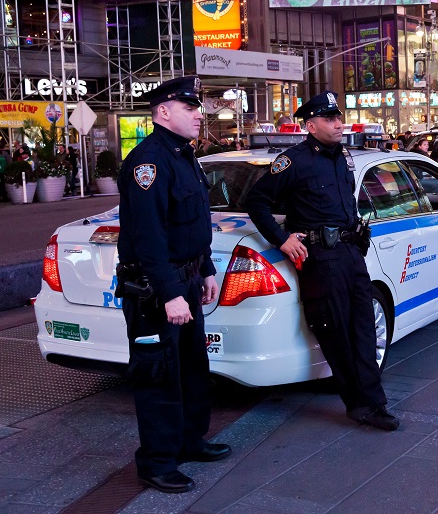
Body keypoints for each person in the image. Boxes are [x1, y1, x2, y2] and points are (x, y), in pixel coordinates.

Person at [244, 91, 398, 432]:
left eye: (338, 117)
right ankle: (360, 404)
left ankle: (374, 402)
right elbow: (257, 201)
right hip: (321, 259)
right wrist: (282, 239)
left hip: (350, 253)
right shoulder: (293, 161)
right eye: (329, 119)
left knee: (363, 329)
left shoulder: (341, 158)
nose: (338, 123)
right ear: (310, 125)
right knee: (338, 333)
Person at [116, 76, 230, 494]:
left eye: (198, 107)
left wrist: (206, 270)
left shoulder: (184, 156)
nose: (200, 113)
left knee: (192, 370)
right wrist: (170, 293)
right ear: (164, 111)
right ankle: (157, 461)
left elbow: (194, 225)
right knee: (158, 376)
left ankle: (188, 441)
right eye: (190, 107)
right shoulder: (149, 161)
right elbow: (149, 237)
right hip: (156, 291)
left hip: (186, 278)